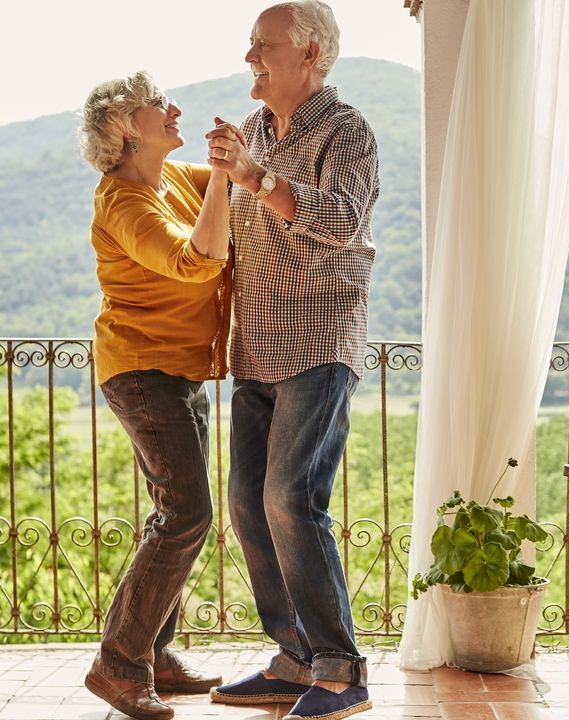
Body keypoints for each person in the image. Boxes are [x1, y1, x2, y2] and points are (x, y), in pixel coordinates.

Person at [203, 2, 378, 719]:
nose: (250, 56)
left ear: (308, 53)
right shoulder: (251, 132)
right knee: (248, 503)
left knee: (289, 499)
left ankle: (341, 671)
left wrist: (256, 177)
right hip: (257, 344)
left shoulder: (348, 130)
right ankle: (292, 657)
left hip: (317, 340)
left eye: (263, 45)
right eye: (249, 44)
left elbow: (343, 220)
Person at [76, 70, 241, 720]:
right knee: (185, 513)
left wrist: (240, 161)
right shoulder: (123, 202)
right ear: (124, 129)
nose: (173, 108)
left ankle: (154, 655)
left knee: (181, 514)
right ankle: (118, 666)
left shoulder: (171, 178)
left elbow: (242, 200)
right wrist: (228, 178)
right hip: (141, 371)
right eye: (155, 105)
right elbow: (197, 258)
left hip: (181, 370)